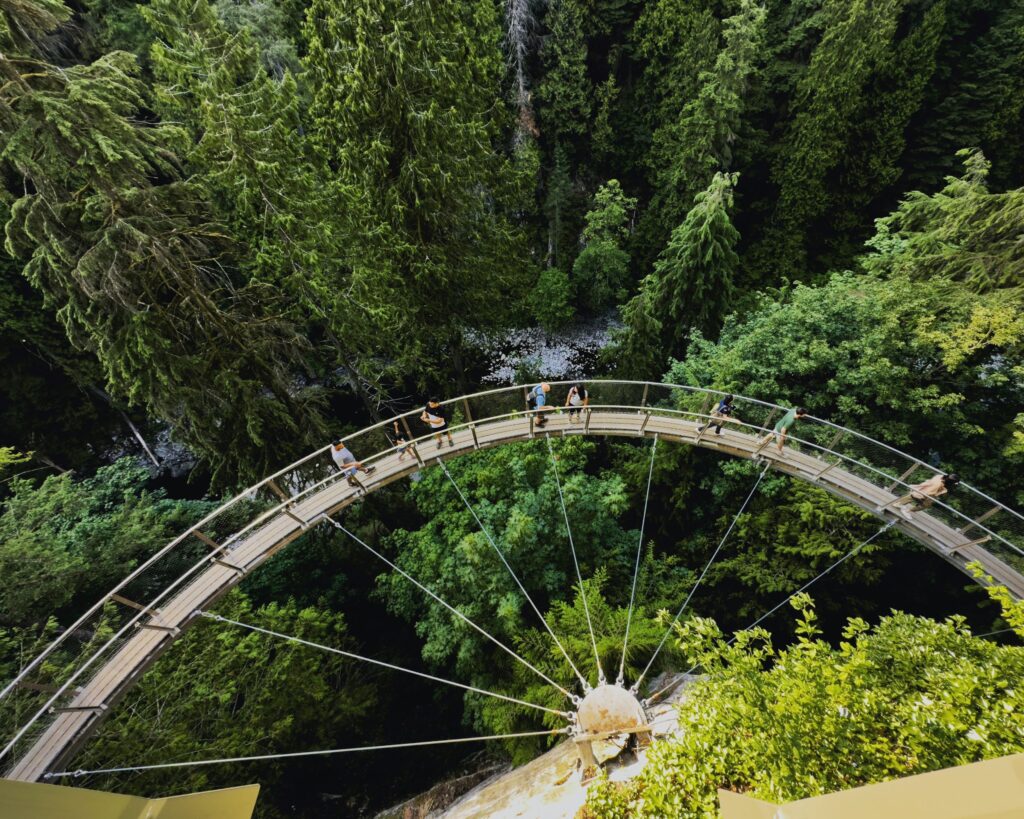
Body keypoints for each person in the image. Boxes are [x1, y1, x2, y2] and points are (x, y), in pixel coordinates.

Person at [887, 473, 960, 520]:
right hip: (926, 493)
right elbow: (929, 492)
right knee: (923, 503)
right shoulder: (937, 484)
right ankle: (906, 510)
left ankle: (899, 504)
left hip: (926, 488)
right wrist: (922, 497)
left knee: (913, 497)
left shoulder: (940, 476)